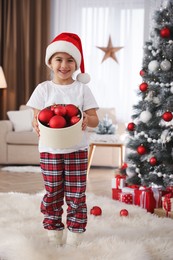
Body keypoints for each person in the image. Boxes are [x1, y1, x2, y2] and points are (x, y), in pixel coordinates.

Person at [26, 32, 99, 247]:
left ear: (76, 64)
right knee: (53, 193)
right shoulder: (43, 89)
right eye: (59, 59)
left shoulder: (82, 89)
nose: (64, 65)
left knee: (77, 195)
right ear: (50, 62)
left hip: (77, 150)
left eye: (70, 60)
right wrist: (35, 124)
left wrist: (87, 118)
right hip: (50, 150)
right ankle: (53, 233)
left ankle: (75, 237)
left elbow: (95, 119)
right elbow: (36, 118)